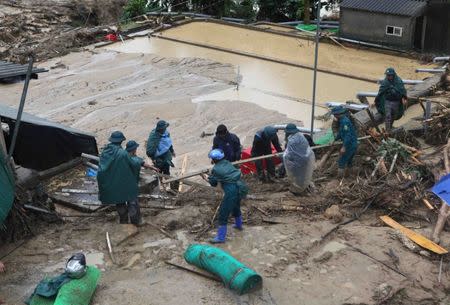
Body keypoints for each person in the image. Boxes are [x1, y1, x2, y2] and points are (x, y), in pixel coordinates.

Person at [97, 131, 144, 225]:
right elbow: (134, 164)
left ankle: (123, 221)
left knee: (119, 202)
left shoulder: (105, 152)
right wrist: (139, 160)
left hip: (113, 184)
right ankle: (136, 221)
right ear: (121, 141)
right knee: (132, 200)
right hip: (125, 184)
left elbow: (102, 168)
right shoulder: (123, 153)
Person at [202, 149, 248, 244]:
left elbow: (213, 183)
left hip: (231, 191)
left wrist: (205, 176)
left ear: (214, 160)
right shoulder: (227, 162)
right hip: (240, 187)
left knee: (223, 213)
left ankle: (221, 238)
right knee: (236, 207)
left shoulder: (215, 169)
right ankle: (239, 225)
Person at [375, 67, 407, 131]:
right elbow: (381, 92)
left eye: (390, 75)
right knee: (388, 116)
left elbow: (402, 90)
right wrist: (376, 101)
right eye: (387, 75)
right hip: (388, 101)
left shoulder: (398, 81)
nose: (388, 77)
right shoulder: (385, 82)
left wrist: (404, 98)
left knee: (394, 115)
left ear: (393, 75)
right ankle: (387, 130)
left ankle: (391, 126)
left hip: (396, 101)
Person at [331, 106, 358, 177]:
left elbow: (347, 136)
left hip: (350, 144)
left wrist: (344, 147)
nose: (334, 116)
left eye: (334, 115)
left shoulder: (345, 122)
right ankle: (351, 175)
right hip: (352, 143)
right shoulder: (342, 120)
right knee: (349, 161)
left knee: (341, 162)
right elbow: (340, 133)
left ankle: (339, 179)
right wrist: (335, 140)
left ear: (337, 114)